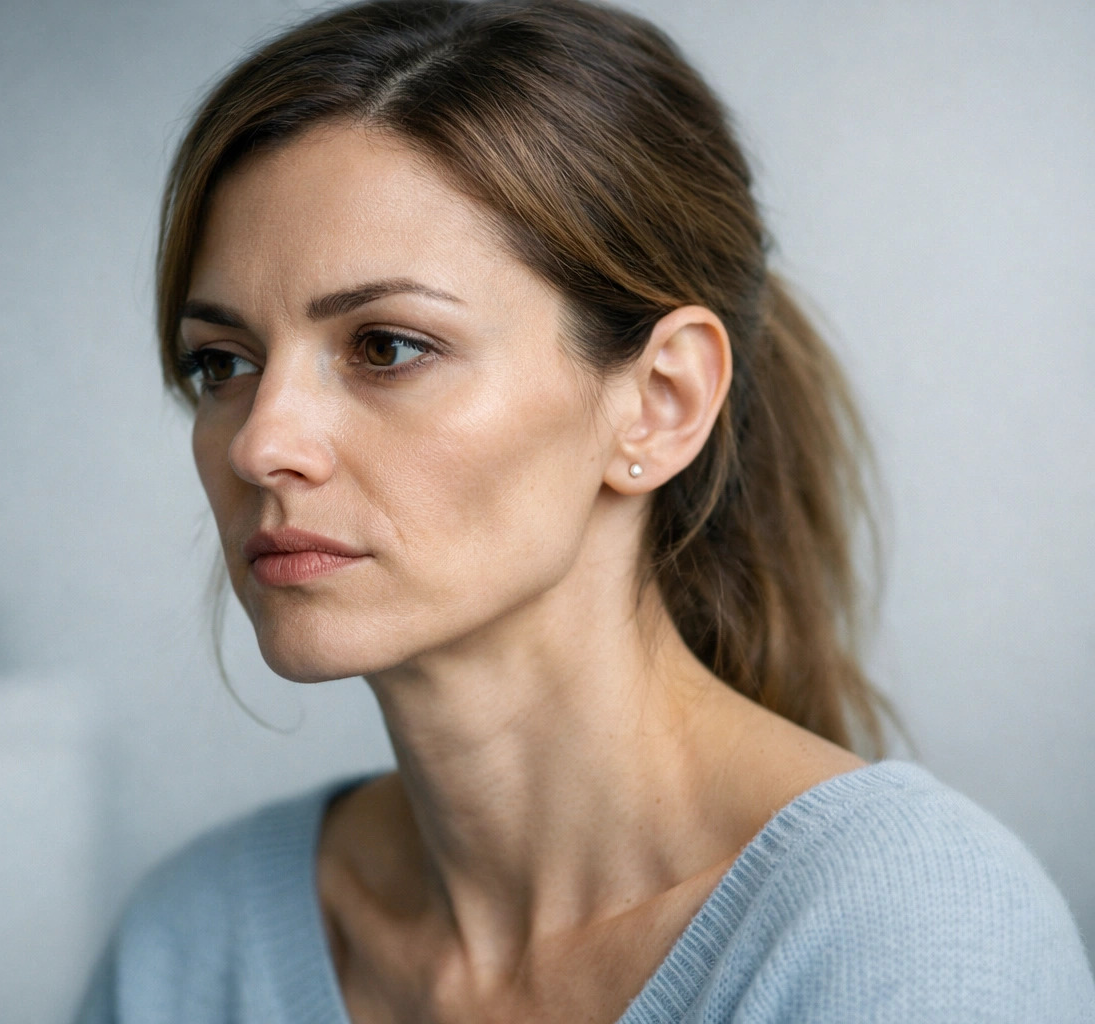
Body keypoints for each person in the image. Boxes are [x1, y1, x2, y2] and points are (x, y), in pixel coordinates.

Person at [76, 1, 1095, 1020]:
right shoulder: (187, 945)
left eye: (386, 347)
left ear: (661, 402)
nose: (259, 443)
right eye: (223, 363)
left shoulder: (916, 937)